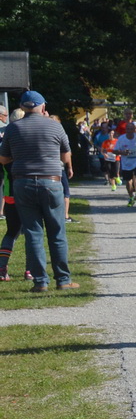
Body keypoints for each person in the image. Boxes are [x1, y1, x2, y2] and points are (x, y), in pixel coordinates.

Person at [0, 92, 77, 290]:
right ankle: (63, 280)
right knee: (57, 232)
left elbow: (3, 159)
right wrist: (68, 166)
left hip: (22, 183)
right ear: (43, 107)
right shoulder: (54, 125)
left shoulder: (12, 128)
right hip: (50, 182)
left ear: (23, 108)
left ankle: (40, 281)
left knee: (33, 233)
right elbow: (65, 152)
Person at [116, 122, 136, 206]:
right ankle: (131, 197)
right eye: (128, 129)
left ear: (134, 130)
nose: (129, 130)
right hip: (126, 162)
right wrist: (122, 152)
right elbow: (114, 150)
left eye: (131, 129)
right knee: (128, 182)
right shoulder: (121, 138)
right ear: (125, 130)